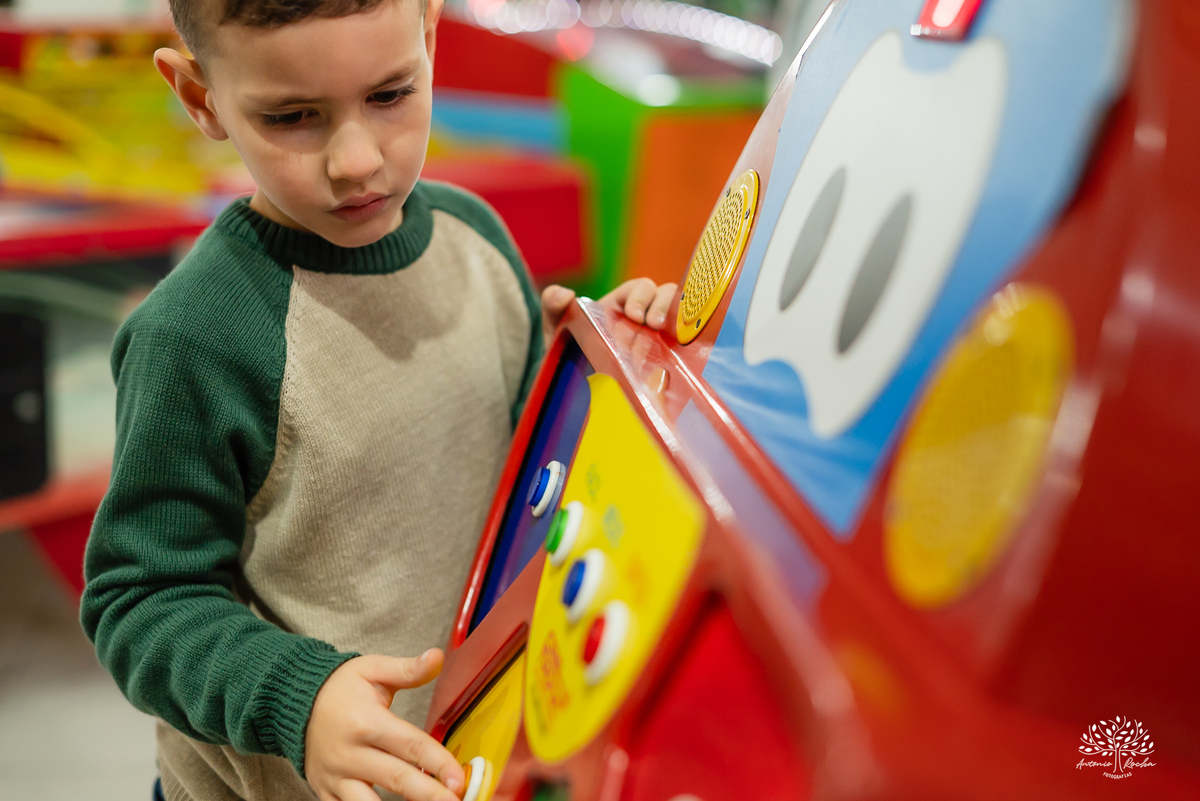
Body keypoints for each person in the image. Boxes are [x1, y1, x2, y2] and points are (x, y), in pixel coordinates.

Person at [79, 1, 677, 800]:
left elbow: (523, 470)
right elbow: (141, 599)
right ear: (199, 97)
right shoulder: (194, 336)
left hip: (465, 759)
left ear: (428, 34)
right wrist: (300, 698)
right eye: (292, 116)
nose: (357, 161)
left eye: (390, 95)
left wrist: (611, 361)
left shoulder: (477, 238)